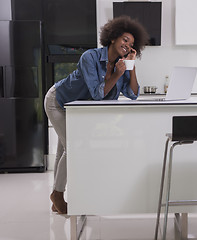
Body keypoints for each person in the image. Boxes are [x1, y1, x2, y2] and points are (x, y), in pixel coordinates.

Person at [44, 16, 149, 214]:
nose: (127, 45)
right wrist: (117, 74)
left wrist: (131, 66)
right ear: (113, 38)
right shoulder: (90, 57)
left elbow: (133, 94)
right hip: (58, 101)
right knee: (73, 149)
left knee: (64, 151)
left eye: (132, 44)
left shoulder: (122, 64)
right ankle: (57, 195)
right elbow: (97, 94)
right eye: (125, 40)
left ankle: (55, 196)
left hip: (76, 110)